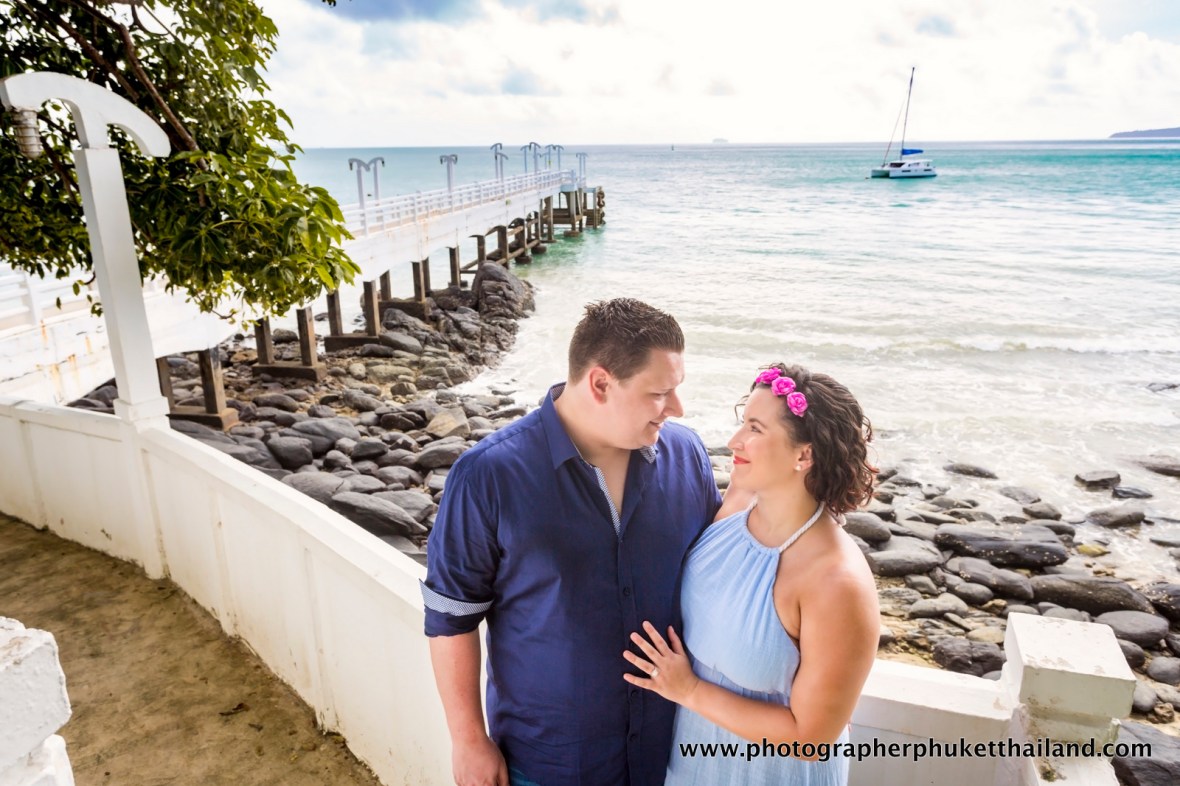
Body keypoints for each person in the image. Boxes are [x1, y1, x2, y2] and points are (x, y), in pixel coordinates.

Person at [422, 298, 722, 786]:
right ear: (601, 383)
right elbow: (451, 618)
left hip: (673, 755)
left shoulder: (688, 455)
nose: (678, 409)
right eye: (659, 393)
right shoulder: (487, 476)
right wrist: (468, 739)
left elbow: (720, 570)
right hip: (548, 762)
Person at [625, 363, 880, 785]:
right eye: (743, 423)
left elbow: (811, 740)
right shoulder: (737, 504)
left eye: (756, 429)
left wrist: (688, 690)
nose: (734, 442)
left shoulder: (836, 582)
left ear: (805, 454)